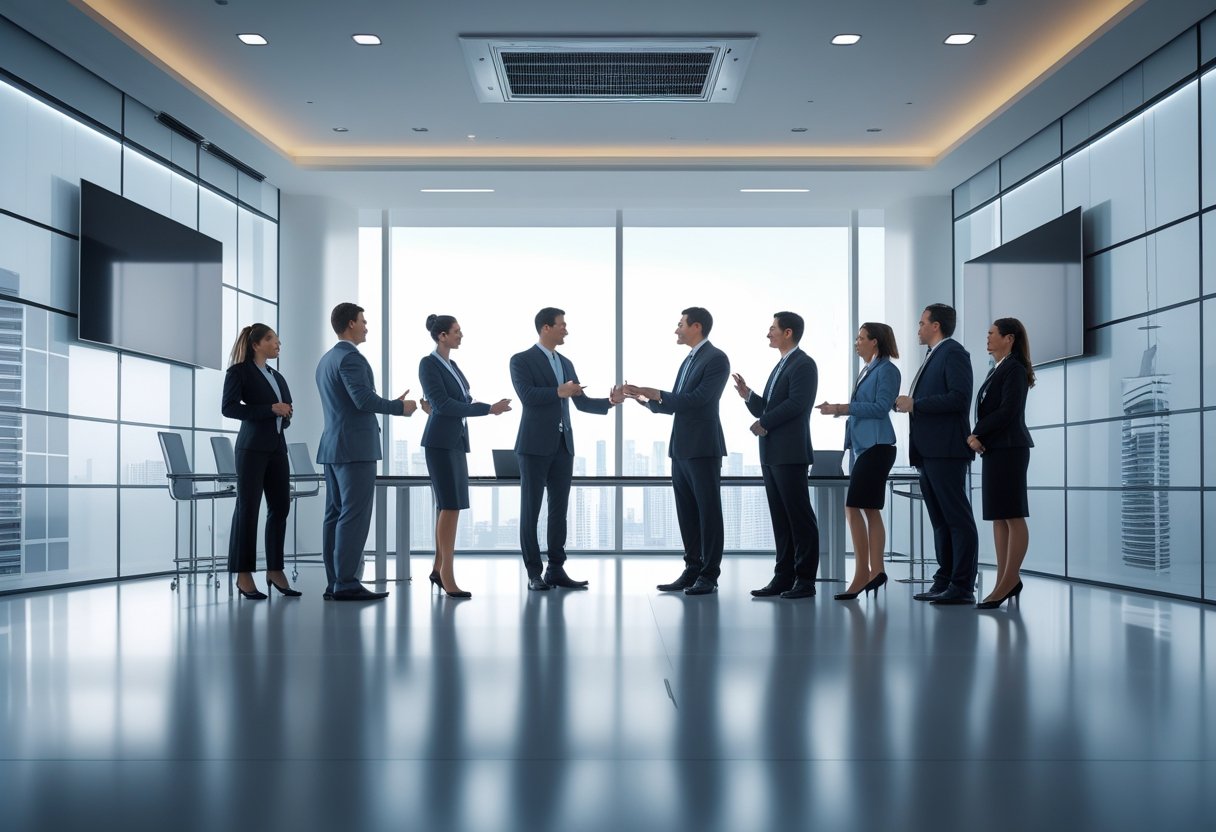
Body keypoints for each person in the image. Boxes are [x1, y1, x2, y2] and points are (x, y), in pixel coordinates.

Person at [509, 308, 623, 591]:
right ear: (546, 328)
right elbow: (527, 396)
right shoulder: (521, 360)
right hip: (533, 446)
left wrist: (610, 402)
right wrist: (559, 391)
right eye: (562, 325)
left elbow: (581, 403)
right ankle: (534, 573)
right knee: (531, 511)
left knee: (558, 511)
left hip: (563, 446)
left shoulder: (566, 363)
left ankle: (555, 570)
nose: (566, 330)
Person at [315, 302, 417, 601]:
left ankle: (335, 582)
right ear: (350, 323)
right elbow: (362, 400)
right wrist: (399, 407)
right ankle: (347, 583)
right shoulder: (351, 359)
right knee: (354, 515)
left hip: (333, 447)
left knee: (335, 515)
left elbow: (352, 400)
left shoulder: (326, 360)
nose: (366, 326)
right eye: (363, 321)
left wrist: (387, 402)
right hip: (354, 449)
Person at [625, 307, 730, 596]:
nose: (676, 329)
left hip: (703, 448)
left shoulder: (716, 358)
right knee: (687, 513)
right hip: (681, 448)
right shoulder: (688, 361)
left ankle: (709, 574)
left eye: (680, 324)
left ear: (696, 326)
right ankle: (692, 569)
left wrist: (657, 393)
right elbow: (677, 404)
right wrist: (645, 399)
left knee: (708, 512)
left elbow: (699, 400)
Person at [418, 314, 512, 599]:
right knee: (450, 505)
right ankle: (447, 575)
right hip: (440, 442)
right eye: (456, 331)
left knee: (450, 506)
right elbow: (444, 404)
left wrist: (486, 407)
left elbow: (462, 400)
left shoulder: (453, 365)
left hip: (456, 440)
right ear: (442, 336)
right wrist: (488, 409)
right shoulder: (428, 363)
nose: (461, 335)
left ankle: (438, 568)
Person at [894, 303, 979, 605]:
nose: (917, 328)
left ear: (936, 325)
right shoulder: (933, 356)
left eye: (922, 323)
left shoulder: (953, 353)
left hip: (946, 450)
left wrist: (916, 404)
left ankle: (962, 585)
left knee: (956, 518)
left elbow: (959, 399)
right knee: (940, 520)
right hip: (929, 451)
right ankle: (944, 579)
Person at [731, 311, 820, 600]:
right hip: (771, 453)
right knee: (781, 519)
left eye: (773, 329)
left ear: (788, 332)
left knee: (799, 518)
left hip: (790, 453)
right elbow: (768, 407)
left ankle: (805, 580)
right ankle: (783, 577)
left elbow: (797, 404)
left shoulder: (803, 364)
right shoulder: (781, 365)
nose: (768, 333)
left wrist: (764, 422)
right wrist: (748, 395)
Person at [818, 323, 901, 601]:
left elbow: (880, 407)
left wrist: (842, 408)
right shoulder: (868, 370)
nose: (856, 342)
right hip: (863, 448)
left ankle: (864, 573)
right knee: (868, 508)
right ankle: (875, 570)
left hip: (877, 446)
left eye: (861, 338)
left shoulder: (887, 370)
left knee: (854, 507)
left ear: (875, 342)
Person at [221, 323, 298, 600]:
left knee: (280, 507)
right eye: (271, 339)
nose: (277, 344)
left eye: (278, 340)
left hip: (277, 447)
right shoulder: (239, 372)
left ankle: (275, 570)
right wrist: (270, 409)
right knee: (248, 509)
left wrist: (285, 414)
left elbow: (286, 410)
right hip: (251, 449)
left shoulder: (277, 376)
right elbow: (229, 408)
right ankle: (243, 575)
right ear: (256, 345)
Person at [968, 318, 1035, 610]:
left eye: (992, 333)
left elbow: (1008, 411)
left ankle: (1009, 580)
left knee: (1013, 515)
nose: (987, 338)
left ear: (1009, 338)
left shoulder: (1015, 369)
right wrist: (980, 437)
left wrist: (977, 433)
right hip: (995, 449)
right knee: (999, 516)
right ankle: (1004, 580)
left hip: (1010, 449)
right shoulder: (996, 368)